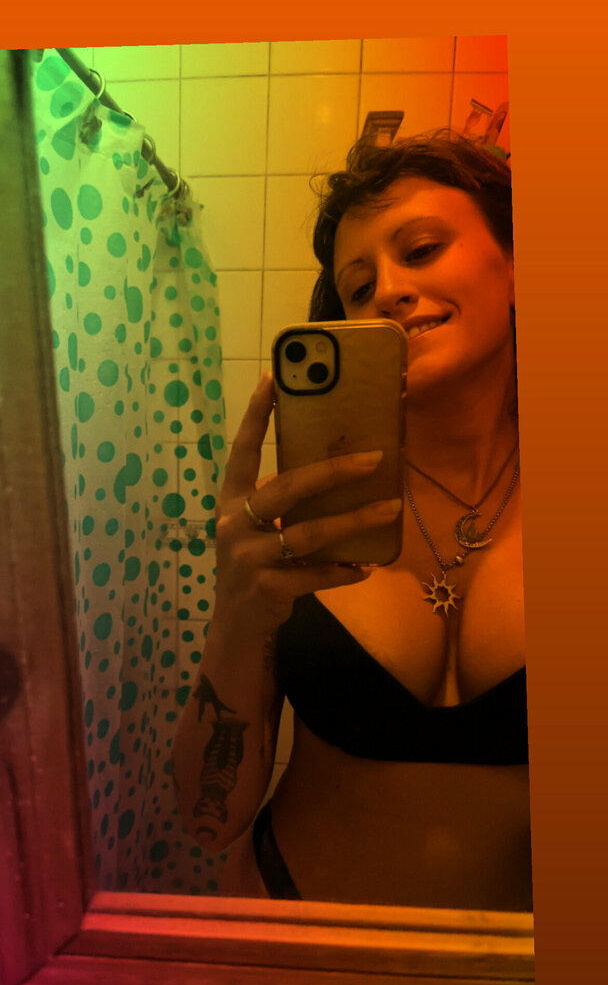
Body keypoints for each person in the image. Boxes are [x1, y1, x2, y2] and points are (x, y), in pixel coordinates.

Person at [172, 131, 532, 910]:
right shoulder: (303, 518)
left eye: (423, 249)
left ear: (517, 262)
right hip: (290, 928)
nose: (389, 292)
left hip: (516, 970)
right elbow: (208, 819)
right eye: (357, 287)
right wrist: (235, 617)